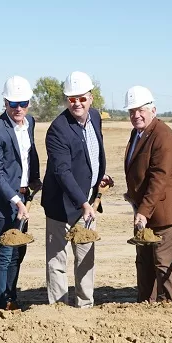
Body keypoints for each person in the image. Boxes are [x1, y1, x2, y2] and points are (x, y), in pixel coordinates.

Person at [41, 71, 112, 307]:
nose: (77, 103)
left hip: (87, 203)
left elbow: (92, 154)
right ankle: (59, 308)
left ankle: (85, 305)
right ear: (66, 100)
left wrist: (100, 176)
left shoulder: (95, 118)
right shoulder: (58, 129)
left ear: (91, 97)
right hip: (61, 206)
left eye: (81, 98)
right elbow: (62, 171)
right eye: (72, 99)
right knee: (57, 261)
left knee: (85, 259)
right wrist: (83, 203)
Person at [123, 85, 172, 303]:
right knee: (145, 265)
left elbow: (159, 177)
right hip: (145, 212)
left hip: (165, 214)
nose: (136, 115)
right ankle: (146, 308)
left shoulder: (162, 135)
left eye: (141, 110)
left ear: (153, 109)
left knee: (165, 265)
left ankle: (167, 312)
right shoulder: (138, 133)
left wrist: (143, 211)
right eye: (132, 111)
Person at [0, 76, 42, 310]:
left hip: (23, 196)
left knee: (18, 250)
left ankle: (11, 296)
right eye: (13, 104)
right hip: (4, 201)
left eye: (23, 103)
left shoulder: (30, 123)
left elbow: (29, 155)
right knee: (5, 251)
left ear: (28, 103)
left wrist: (35, 179)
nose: (18, 108)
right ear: (5, 102)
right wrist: (16, 200)